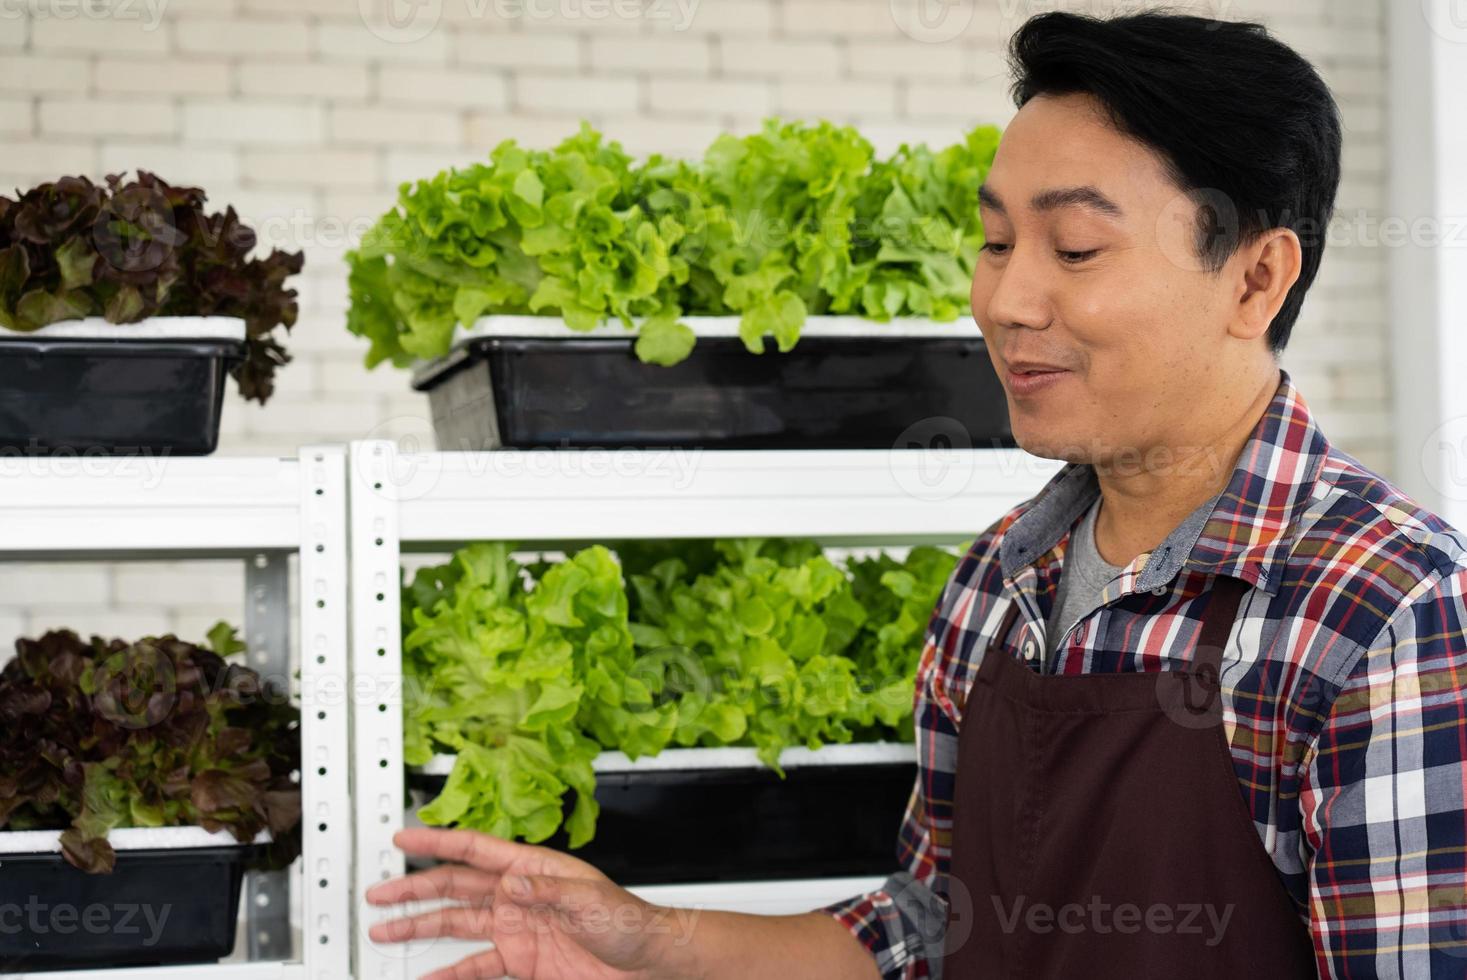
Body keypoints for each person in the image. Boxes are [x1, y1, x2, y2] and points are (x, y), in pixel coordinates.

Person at [363, 10, 1467, 979]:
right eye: (994, 242)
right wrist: (647, 938)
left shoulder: (1383, 609)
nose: (1006, 298)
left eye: (1075, 248)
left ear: (1256, 276)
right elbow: (929, 932)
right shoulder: (1001, 578)